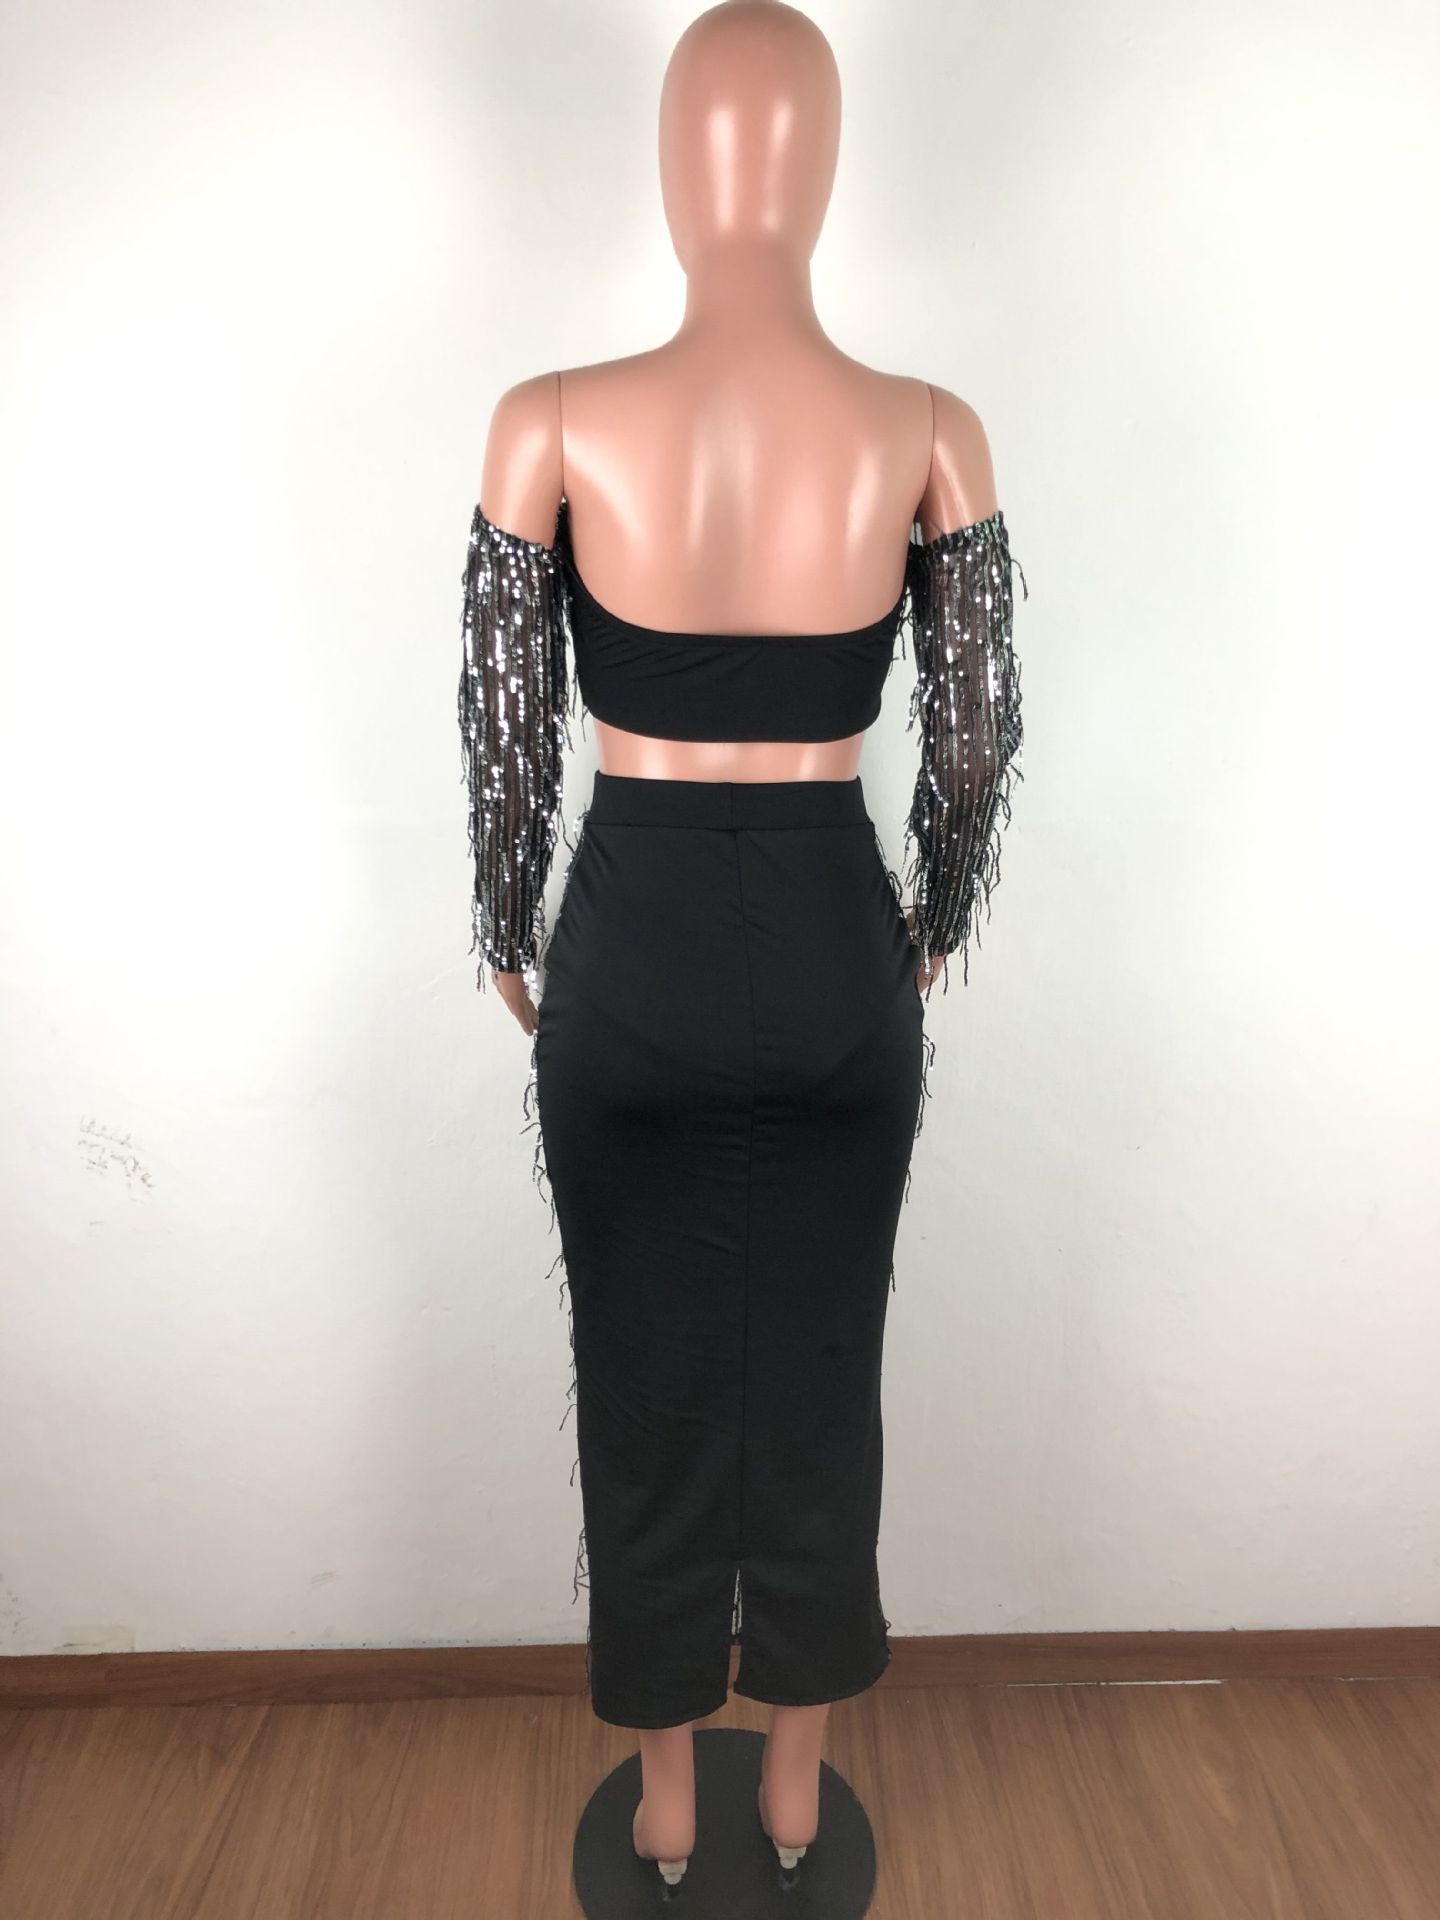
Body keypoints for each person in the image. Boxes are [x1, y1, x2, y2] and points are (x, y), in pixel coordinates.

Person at [456, 0, 1027, 1892]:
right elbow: (972, 739)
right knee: (820, 1374)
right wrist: (932, 919)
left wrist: (507, 922)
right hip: (837, 945)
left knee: (643, 1377)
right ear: (820, 170)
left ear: (676, 171)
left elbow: (503, 726)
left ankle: (669, 1802)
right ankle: (793, 1786)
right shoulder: (928, 429)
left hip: (627, 955)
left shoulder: (549, 418)